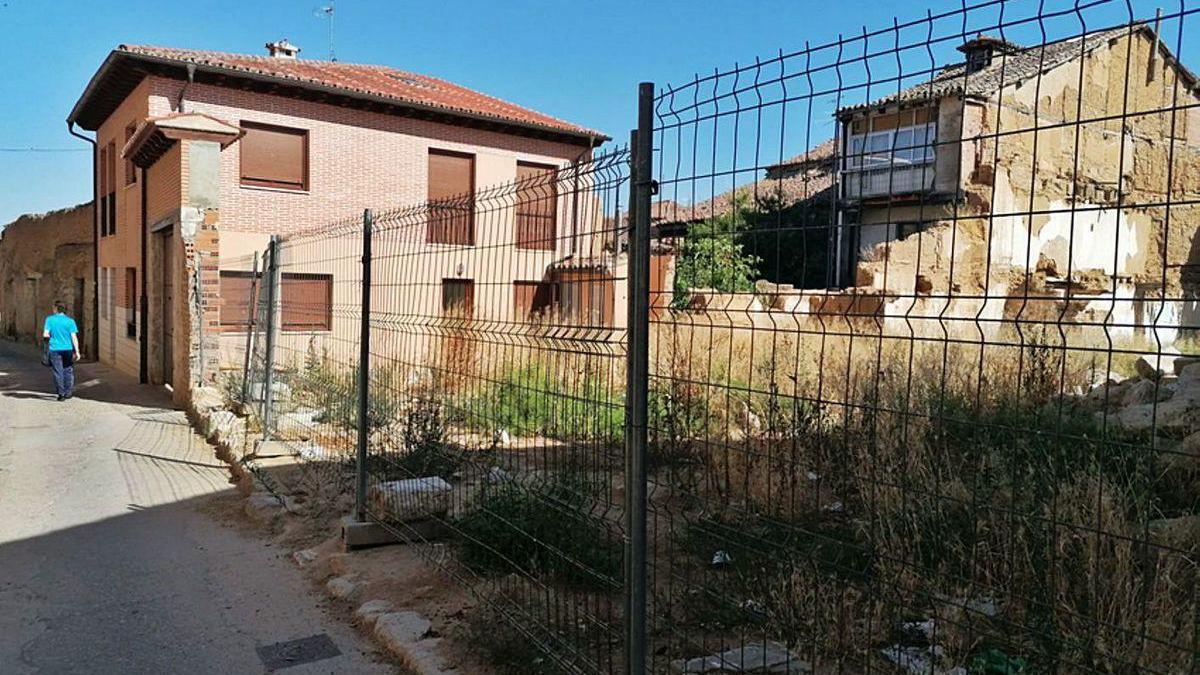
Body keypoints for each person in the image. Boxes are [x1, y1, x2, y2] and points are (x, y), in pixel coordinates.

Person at [42, 301, 81, 401]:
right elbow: (74, 337)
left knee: (58, 371)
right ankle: (68, 392)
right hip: (68, 349)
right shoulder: (70, 321)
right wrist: (77, 351)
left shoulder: (49, 320)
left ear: (56, 308)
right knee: (68, 370)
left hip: (54, 349)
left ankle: (61, 394)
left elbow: (45, 334)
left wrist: (46, 348)